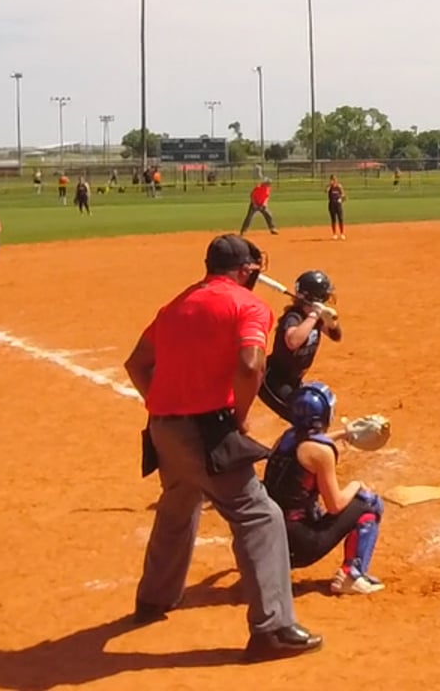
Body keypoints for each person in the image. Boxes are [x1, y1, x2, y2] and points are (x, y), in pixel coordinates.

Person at [122, 234, 321, 661]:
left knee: (178, 505)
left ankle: (153, 599)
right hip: (206, 431)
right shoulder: (248, 306)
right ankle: (272, 628)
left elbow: (136, 363)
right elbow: (251, 365)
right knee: (260, 515)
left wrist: (162, 404)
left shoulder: (177, 304)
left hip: (163, 430)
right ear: (246, 270)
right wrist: (239, 415)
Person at [264, 382, 386, 596]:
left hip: (269, 543)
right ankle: (351, 576)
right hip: (300, 546)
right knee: (369, 502)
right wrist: (356, 484)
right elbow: (335, 505)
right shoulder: (321, 453)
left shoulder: (285, 438)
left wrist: (344, 434)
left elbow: (308, 444)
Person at [259, 271, 342, 424]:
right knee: (305, 420)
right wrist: (314, 315)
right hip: (274, 381)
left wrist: (330, 322)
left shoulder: (315, 318)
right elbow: (293, 341)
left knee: (314, 416)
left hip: (294, 380)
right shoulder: (293, 317)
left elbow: (336, 336)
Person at [326, 175, 346, 240]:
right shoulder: (329, 187)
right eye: (332, 179)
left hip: (338, 205)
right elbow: (326, 191)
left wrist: (341, 199)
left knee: (340, 219)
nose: (333, 181)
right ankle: (334, 234)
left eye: (334, 179)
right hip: (332, 204)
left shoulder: (339, 186)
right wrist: (330, 185)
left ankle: (342, 233)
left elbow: (344, 195)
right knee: (333, 219)